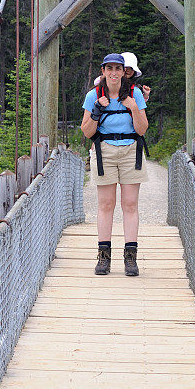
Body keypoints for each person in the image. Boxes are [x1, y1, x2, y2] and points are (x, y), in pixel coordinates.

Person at [81, 53, 149, 277]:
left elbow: (142, 129)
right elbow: (87, 131)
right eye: (109, 68)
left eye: (117, 68)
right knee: (106, 205)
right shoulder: (93, 95)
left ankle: (130, 258)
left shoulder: (135, 94)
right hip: (104, 151)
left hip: (131, 150)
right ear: (103, 71)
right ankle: (103, 257)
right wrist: (97, 111)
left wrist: (133, 108)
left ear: (123, 71)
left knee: (130, 205)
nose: (113, 73)